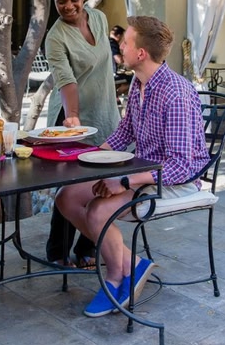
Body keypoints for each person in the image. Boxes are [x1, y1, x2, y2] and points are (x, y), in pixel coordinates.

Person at [56, 16, 210, 317]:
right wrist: (86, 157)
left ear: (141, 53)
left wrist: (126, 181)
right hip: (143, 174)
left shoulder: (175, 93)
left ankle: (115, 275)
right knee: (67, 196)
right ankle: (132, 264)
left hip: (176, 182)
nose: (120, 46)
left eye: (125, 42)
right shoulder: (139, 85)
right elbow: (124, 133)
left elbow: (180, 166)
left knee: (98, 210)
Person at [43, 0, 121, 268]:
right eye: (60, 1)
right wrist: (73, 115)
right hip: (71, 118)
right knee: (72, 185)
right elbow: (66, 80)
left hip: (105, 112)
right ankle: (58, 251)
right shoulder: (55, 37)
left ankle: (88, 247)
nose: (68, 6)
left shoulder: (99, 19)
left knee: (102, 181)